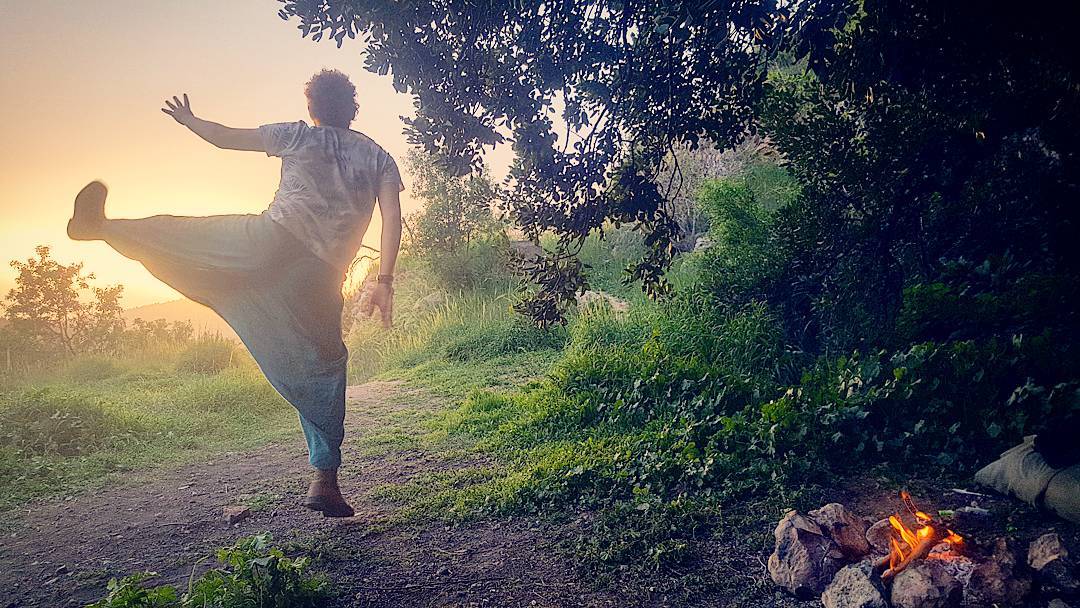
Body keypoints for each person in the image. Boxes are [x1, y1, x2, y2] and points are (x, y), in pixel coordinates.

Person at [67, 69, 403, 517]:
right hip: (322, 273)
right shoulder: (379, 158)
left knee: (192, 238)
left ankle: (103, 228)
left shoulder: (299, 135)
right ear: (352, 108)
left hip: (269, 240)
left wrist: (190, 120)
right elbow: (392, 219)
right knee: (323, 367)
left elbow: (224, 138)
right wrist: (384, 281)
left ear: (312, 108)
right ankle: (325, 480)